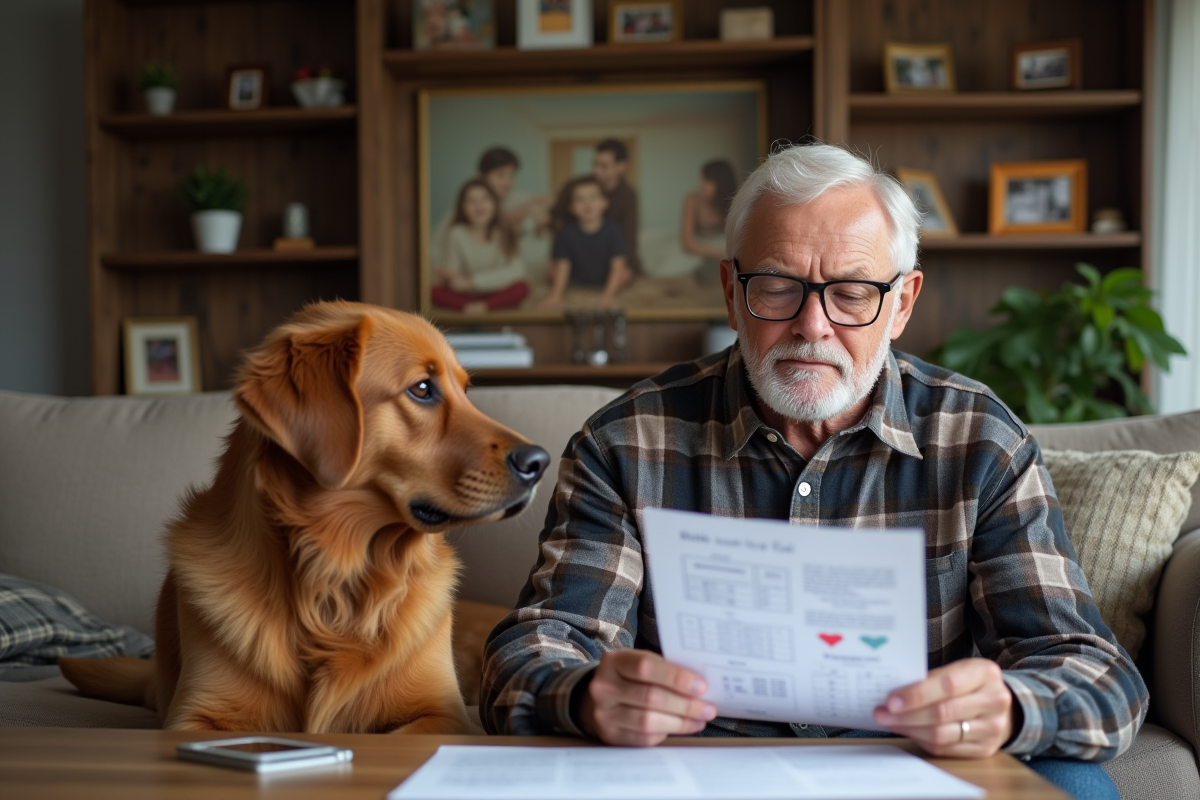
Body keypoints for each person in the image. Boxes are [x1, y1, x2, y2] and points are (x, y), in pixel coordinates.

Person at [481, 143, 1145, 800]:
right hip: (698, 772)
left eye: (853, 293)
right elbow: (534, 651)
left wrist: (1013, 706)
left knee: (1077, 787)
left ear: (902, 303)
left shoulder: (979, 440)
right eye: (777, 288)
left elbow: (1101, 678)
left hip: (918, 769)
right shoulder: (626, 441)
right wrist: (588, 696)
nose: (812, 326)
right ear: (731, 293)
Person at [431, 147, 550, 272]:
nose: (507, 182)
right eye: (500, 175)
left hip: (501, 272)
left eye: (511, 176)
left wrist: (540, 221)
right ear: (481, 177)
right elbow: (436, 248)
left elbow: (542, 212)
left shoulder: (519, 199)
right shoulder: (460, 218)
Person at [431, 179, 529, 313]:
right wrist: (449, 275)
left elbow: (517, 271)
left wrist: (473, 281)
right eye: (471, 201)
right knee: (435, 292)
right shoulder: (456, 233)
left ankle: (482, 306)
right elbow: (454, 278)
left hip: (496, 290)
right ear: (462, 207)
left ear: (495, 203)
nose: (479, 205)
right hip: (467, 293)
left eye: (485, 199)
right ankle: (475, 306)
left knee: (521, 288)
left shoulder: (505, 231)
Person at [551, 139, 641, 275]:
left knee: (625, 276)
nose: (596, 170)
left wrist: (624, 266)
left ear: (621, 166)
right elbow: (557, 219)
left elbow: (629, 237)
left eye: (604, 166)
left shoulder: (628, 195)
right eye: (595, 164)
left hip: (612, 256)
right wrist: (555, 259)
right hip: (579, 256)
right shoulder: (576, 185)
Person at [539, 176, 630, 310]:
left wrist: (608, 295)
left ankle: (609, 289)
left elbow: (617, 265)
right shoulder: (567, 232)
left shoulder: (614, 230)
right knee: (553, 270)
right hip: (575, 279)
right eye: (580, 199)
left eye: (593, 198)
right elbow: (564, 265)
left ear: (604, 202)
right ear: (571, 207)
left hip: (604, 279)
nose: (587, 204)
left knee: (624, 273)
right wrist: (555, 296)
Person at [681, 158, 738, 285]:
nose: (701, 184)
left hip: (722, 244)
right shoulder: (692, 200)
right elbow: (687, 244)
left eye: (707, 180)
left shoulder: (733, 202)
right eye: (701, 179)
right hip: (697, 247)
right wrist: (719, 253)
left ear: (721, 182)